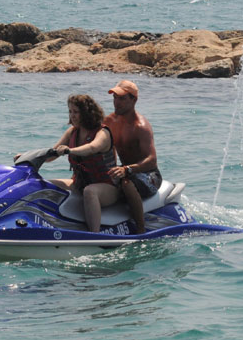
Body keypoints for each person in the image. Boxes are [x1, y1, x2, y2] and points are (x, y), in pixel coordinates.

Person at [46, 94, 119, 233]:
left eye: (76, 112)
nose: (72, 116)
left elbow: (92, 148)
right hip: (80, 183)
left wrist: (69, 150)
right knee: (45, 184)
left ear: (86, 113)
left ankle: (95, 234)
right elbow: (51, 155)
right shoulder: (72, 132)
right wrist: (29, 156)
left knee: (90, 191)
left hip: (108, 187)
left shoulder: (103, 133)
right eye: (70, 111)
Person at [104, 80, 161, 234]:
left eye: (122, 99)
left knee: (126, 182)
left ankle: (141, 230)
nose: (117, 102)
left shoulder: (141, 127)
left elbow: (152, 160)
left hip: (149, 175)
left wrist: (127, 169)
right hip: (124, 170)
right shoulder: (109, 121)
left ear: (134, 100)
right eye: (115, 98)